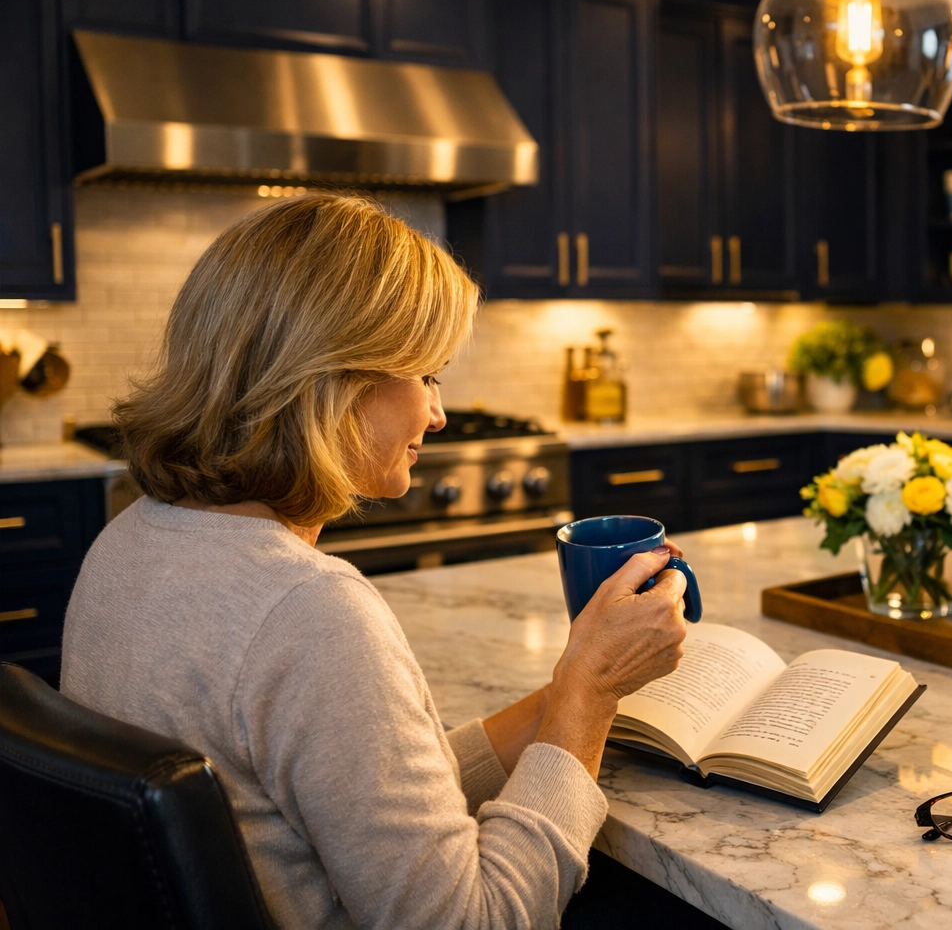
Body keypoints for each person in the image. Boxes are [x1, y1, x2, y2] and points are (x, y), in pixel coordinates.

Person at [61, 194, 691, 929]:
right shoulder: (310, 613)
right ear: (336, 381)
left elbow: (359, 800)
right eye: (427, 376)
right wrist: (591, 699)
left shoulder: (130, 542)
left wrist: (569, 686)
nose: (437, 414)